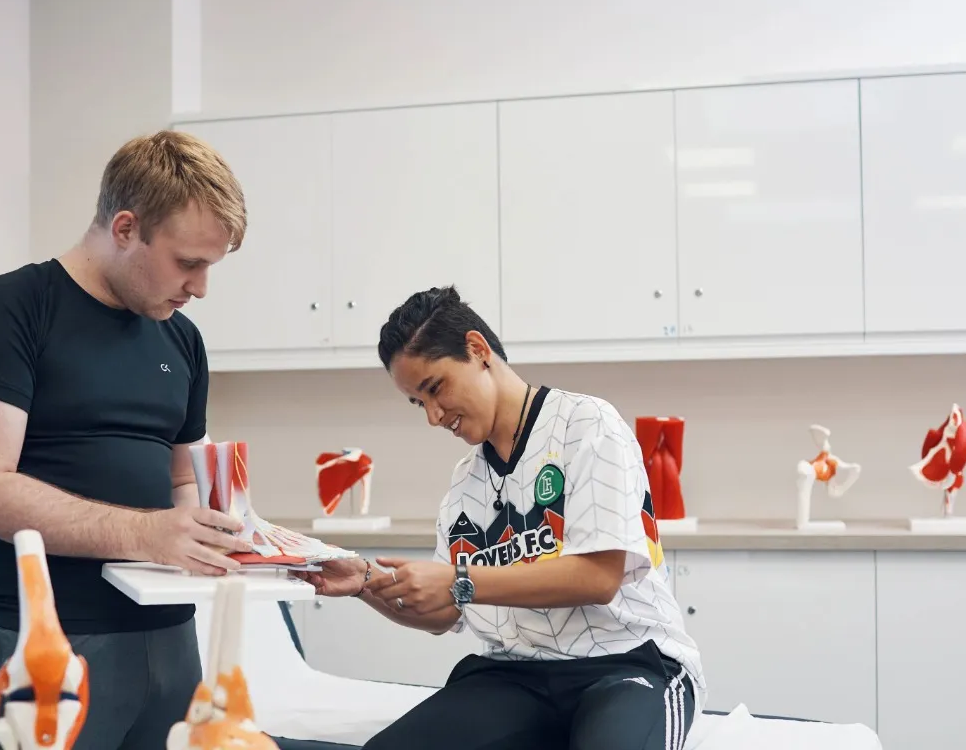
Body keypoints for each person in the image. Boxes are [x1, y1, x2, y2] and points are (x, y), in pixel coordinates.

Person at [0, 130, 257, 750]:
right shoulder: (7, 310)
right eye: (188, 262)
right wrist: (147, 533)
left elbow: (181, 477)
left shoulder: (180, 339)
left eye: (210, 267)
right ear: (126, 227)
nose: (200, 288)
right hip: (46, 644)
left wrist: (211, 531)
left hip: (170, 640)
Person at [298, 285, 706, 750]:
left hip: (628, 664)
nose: (433, 416)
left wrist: (459, 579)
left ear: (477, 349)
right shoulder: (464, 483)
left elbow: (599, 576)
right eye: (418, 403)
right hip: (514, 677)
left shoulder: (588, 424)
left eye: (435, 388)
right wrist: (365, 581)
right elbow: (444, 613)